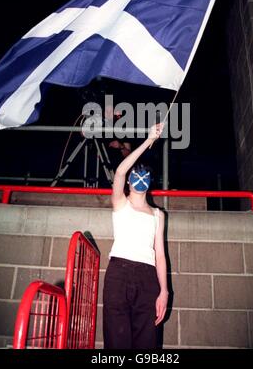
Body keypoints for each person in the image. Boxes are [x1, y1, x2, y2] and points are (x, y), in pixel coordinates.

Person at [103, 123, 168, 349]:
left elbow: (160, 255)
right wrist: (149, 141)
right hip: (118, 274)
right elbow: (120, 171)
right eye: (136, 174)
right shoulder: (120, 203)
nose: (141, 177)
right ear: (130, 181)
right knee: (117, 340)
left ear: (150, 182)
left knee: (147, 342)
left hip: (148, 277)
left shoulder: (158, 215)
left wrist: (164, 291)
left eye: (145, 174)